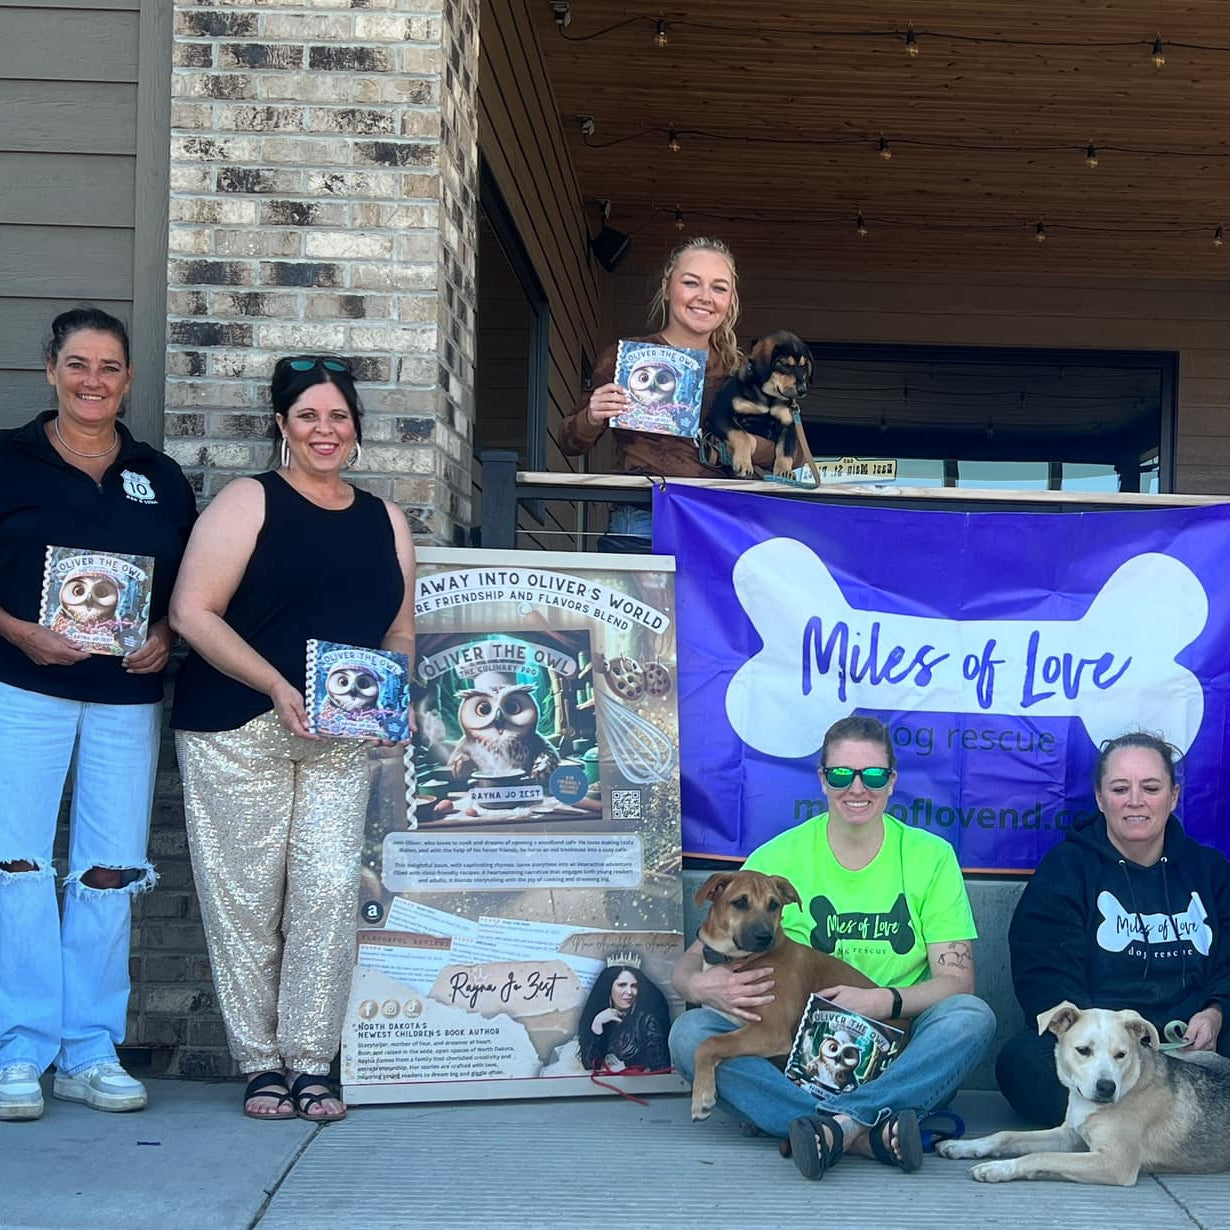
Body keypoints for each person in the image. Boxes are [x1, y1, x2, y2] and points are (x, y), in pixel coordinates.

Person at [169, 355, 416, 1122]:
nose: (324, 429)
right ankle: (260, 1063)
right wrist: (276, 687)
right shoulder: (250, 501)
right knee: (244, 900)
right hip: (238, 725)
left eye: (338, 416)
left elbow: (399, 630)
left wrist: (389, 705)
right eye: (308, 415)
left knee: (328, 891)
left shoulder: (386, 518)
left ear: (355, 429)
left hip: (339, 737)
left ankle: (312, 1060)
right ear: (281, 425)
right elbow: (191, 612)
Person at [0, 308, 196, 1121]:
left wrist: (163, 635)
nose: (93, 381)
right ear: (50, 370)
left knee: (107, 871)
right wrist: (16, 631)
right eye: (78, 365)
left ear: (129, 378)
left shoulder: (159, 474)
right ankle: (20, 1045)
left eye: (109, 367)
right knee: (14, 865)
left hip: (125, 696)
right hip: (22, 685)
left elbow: (193, 585)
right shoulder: (7, 459)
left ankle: (89, 1048)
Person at [670, 715, 996, 1180]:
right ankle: (860, 1130)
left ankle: (820, 1124)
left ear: (892, 781)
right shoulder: (775, 860)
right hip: (795, 1060)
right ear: (823, 780)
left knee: (971, 1016)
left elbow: (957, 980)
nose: (857, 788)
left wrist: (883, 1000)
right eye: (842, 774)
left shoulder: (930, 857)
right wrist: (702, 988)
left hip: (895, 1058)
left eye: (873, 775)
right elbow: (694, 958)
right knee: (688, 1034)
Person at [997, 731, 1230, 1126]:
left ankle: (1145, 1123)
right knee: (1021, 1062)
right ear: (1101, 798)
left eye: (1151, 787)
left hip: (1194, 1048)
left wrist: (1216, 1010)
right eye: (1120, 788)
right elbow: (1043, 973)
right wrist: (1113, 1044)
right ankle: (1172, 1125)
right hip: (1104, 1057)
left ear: (1173, 796)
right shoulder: (1067, 869)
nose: (1135, 800)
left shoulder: (1208, 870)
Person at [560, 237, 791, 545]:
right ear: (667, 287)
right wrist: (591, 416)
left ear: (730, 299)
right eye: (691, 283)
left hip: (722, 521)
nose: (705, 297)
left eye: (719, 287)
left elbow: (789, 451)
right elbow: (568, 441)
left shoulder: (744, 370)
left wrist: (747, 443)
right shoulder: (625, 356)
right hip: (646, 517)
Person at [578, 962, 671, 1073]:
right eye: (622, 985)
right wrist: (597, 1026)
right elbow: (590, 1065)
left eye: (634, 986)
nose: (629, 992)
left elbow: (661, 1069)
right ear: (609, 987)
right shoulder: (601, 1018)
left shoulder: (648, 1021)